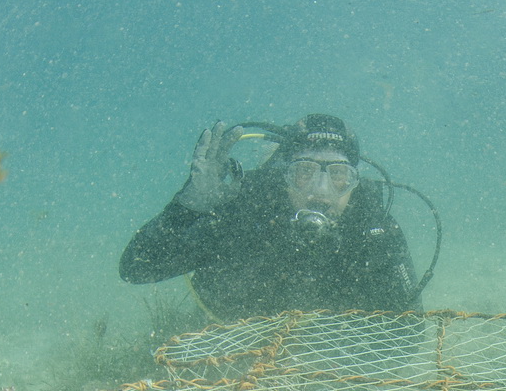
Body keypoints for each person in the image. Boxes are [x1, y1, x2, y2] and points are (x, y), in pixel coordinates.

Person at [120, 114, 420, 322]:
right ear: (284, 175)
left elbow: (407, 332)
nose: (321, 191)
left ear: (356, 182)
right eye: (305, 171)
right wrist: (188, 207)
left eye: (339, 175)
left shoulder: (376, 231)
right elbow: (137, 268)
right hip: (226, 354)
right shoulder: (245, 214)